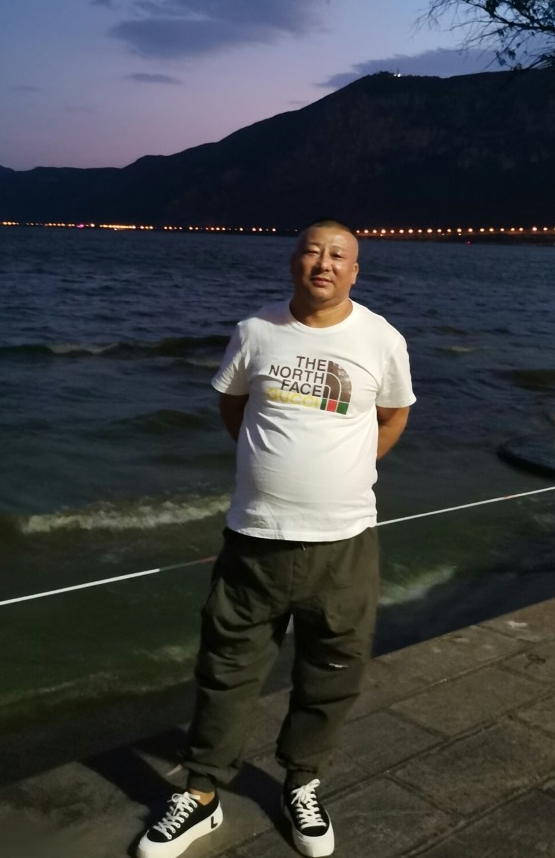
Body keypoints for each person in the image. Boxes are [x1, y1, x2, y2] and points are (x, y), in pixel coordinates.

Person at [138, 219, 415, 858]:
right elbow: (233, 405)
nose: (324, 263)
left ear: (354, 271)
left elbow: (395, 413)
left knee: (333, 668)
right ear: (294, 261)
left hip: (343, 543)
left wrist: (354, 466)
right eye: (312, 251)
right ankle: (201, 793)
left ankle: (302, 782)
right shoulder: (256, 331)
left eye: (338, 255)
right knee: (227, 667)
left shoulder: (381, 338)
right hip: (255, 537)